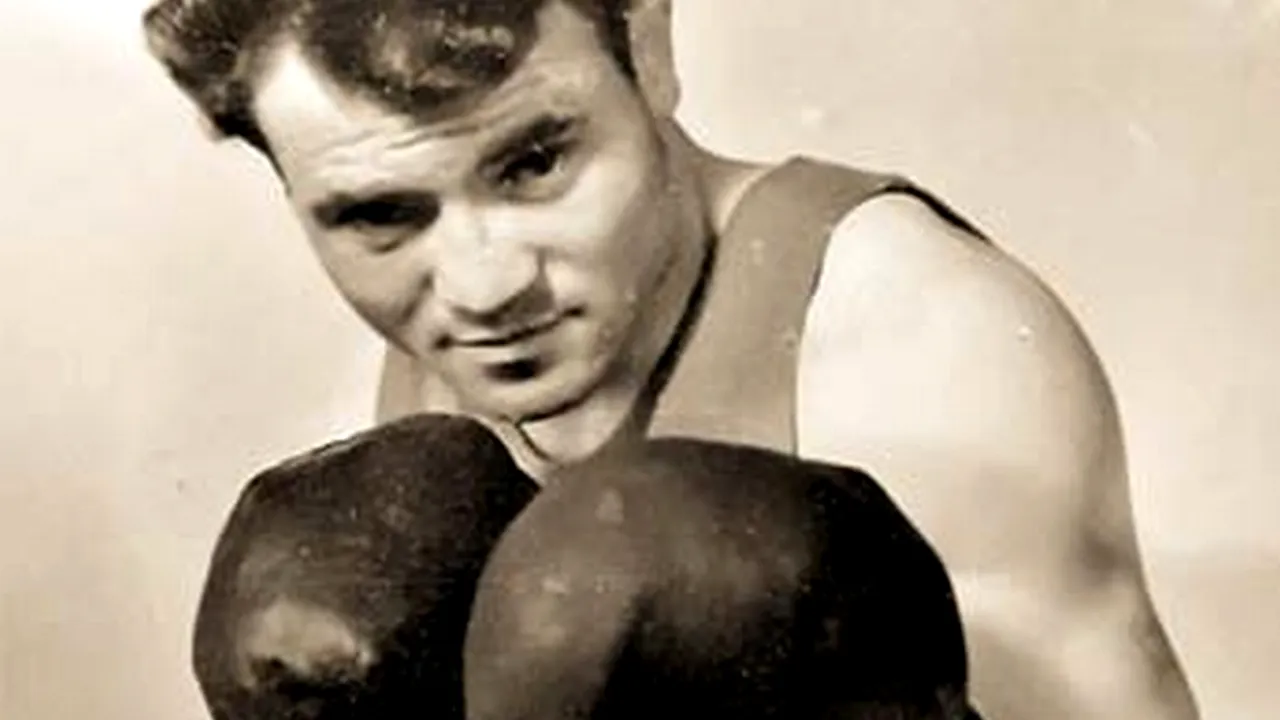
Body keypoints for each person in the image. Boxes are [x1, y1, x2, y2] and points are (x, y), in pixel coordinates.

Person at [141, 0, 1200, 718]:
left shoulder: (914, 339)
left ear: (647, 52)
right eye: (381, 216)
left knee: (678, 562)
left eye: (535, 163)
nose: (481, 285)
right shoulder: (442, 378)